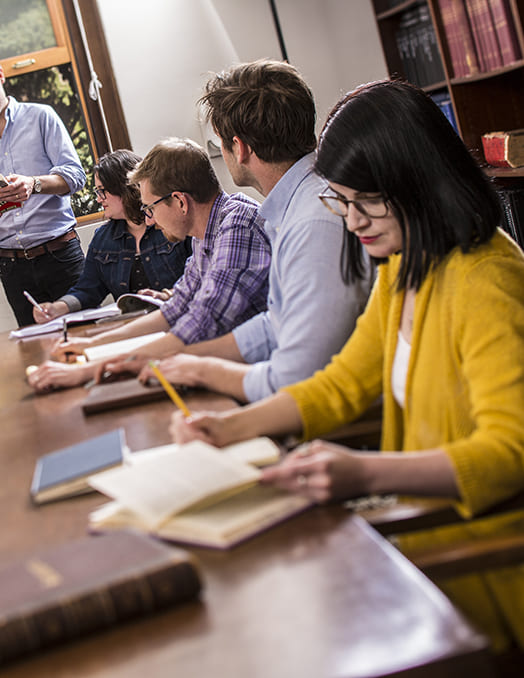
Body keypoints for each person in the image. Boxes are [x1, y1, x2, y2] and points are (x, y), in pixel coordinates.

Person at [171, 79, 524, 652]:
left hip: (480, 568)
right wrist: (227, 426)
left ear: (419, 182)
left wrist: (365, 475)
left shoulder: (486, 279)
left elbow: (511, 452)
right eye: (342, 201)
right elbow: (340, 385)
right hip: (423, 539)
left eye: (366, 202)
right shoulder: (404, 266)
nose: (352, 222)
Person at [107, 60, 372, 403]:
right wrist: (166, 360)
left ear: (240, 147)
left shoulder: (313, 222)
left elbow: (294, 378)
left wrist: (189, 367)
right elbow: (274, 325)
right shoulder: (295, 207)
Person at [29, 137, 270, 393]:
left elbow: (202, 323)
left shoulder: (237, 224)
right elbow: (175, 309)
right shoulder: (205, 233)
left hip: (260, 378)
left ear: (180, 201)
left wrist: (87, 370)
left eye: (150, 208)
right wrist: (91, 343)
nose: (150, 220)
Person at [0, 49, 87, 327]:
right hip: (14, 267)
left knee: (85, 337)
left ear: (0, 76)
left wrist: (34, 184)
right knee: (37, 350)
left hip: (61, 255)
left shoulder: (41, 117)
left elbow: (75, 175)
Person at [32, 149, 191, 323]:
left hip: (181, 319)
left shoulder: (172, 224)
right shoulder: (103, 239)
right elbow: (87, 289)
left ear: (125, 188)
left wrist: (167, 296)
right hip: (133, 328)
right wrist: (56, 308)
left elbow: (198, 277)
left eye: (102, 191)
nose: (99, 199)